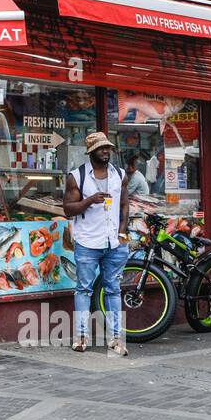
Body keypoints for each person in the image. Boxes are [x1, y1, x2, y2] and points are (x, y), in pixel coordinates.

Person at [63, 131, 130, 355]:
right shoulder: (77, 176)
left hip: (114, 242)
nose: (106, 151)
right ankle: (81, 337)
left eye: (108, 148)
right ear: (91, 151)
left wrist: (122, 232)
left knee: (113, 289)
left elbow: (124, 205)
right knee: (84, 289)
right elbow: (67, 209)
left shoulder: (120, 175)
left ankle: (116, 339)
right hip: (87, 242)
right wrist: (90, 200)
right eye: (101, 148)